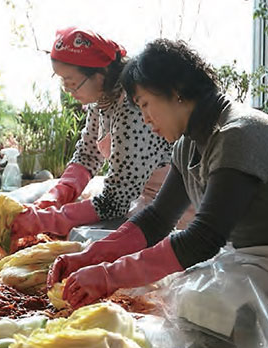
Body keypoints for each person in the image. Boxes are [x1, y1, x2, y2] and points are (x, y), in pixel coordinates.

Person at [48, 38, 268, 314]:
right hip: (247, 261)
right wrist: (89, 256)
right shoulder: (187, 145)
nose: (144, 118)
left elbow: (203, 238)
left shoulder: (239, 133)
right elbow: (157, 219)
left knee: (192, 304)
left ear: (176, 91)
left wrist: (110, 275)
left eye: (144, 104)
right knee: (170, 295)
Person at [10, 27, 174, 242]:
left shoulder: (133, 110)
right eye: (61, 82)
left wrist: (46, 220)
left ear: (100, 74)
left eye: (71, 82)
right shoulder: (102, 101)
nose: (67, 90)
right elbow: (87, 156)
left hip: (171, 208)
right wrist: (56, 196)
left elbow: (116, 201)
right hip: (138, 198)